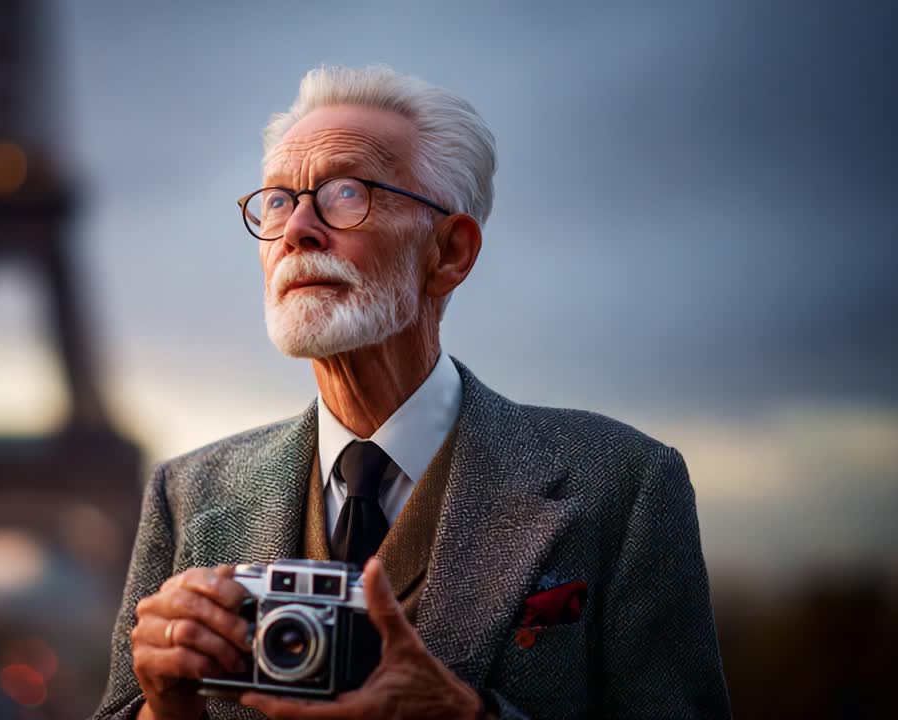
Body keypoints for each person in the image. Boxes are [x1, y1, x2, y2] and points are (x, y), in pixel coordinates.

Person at [91, 65, 731, 720]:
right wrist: (163, 710)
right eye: (278, 200)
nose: (297, 229)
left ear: (450, 251)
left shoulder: (623, 485)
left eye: (345, 193)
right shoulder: (188, 494)